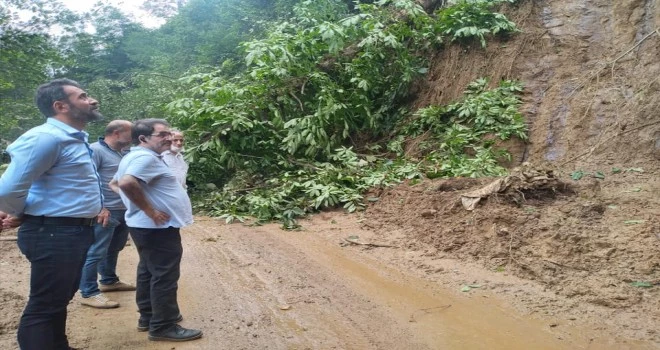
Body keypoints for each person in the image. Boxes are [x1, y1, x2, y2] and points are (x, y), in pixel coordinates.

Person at [0, 78, 104, 350]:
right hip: (53, 233)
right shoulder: (45, 138)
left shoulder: (73, 138)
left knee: (59, 298)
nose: (92, 100)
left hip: (70, 232)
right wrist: (22, 213)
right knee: (44, 306)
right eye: (82, 96)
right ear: (60, 106)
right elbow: (8, 190)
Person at [110, 119, 202, 342]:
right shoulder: (143, 157)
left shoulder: (134, 156)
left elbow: (114, 182)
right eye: (162, 134)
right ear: (143, 138)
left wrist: (140, 207)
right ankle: (163, 325)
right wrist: (149, 210)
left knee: (149, 271)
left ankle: (149, 317)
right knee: (164, 274)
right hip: (156, 227)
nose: (169, 138)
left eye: (170, 133)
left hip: (147, 227)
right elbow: (125, 183)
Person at [79, 120, 136, 309]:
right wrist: (99, 208)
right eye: (131, 132)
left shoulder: (123, 152)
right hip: (105, 211)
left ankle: (109, 280)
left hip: (122, 209)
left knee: (114, 248)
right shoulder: (95, 151)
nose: (134, 136)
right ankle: (88, 292)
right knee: (96, 251)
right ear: (117, 133)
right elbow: (87, 180)